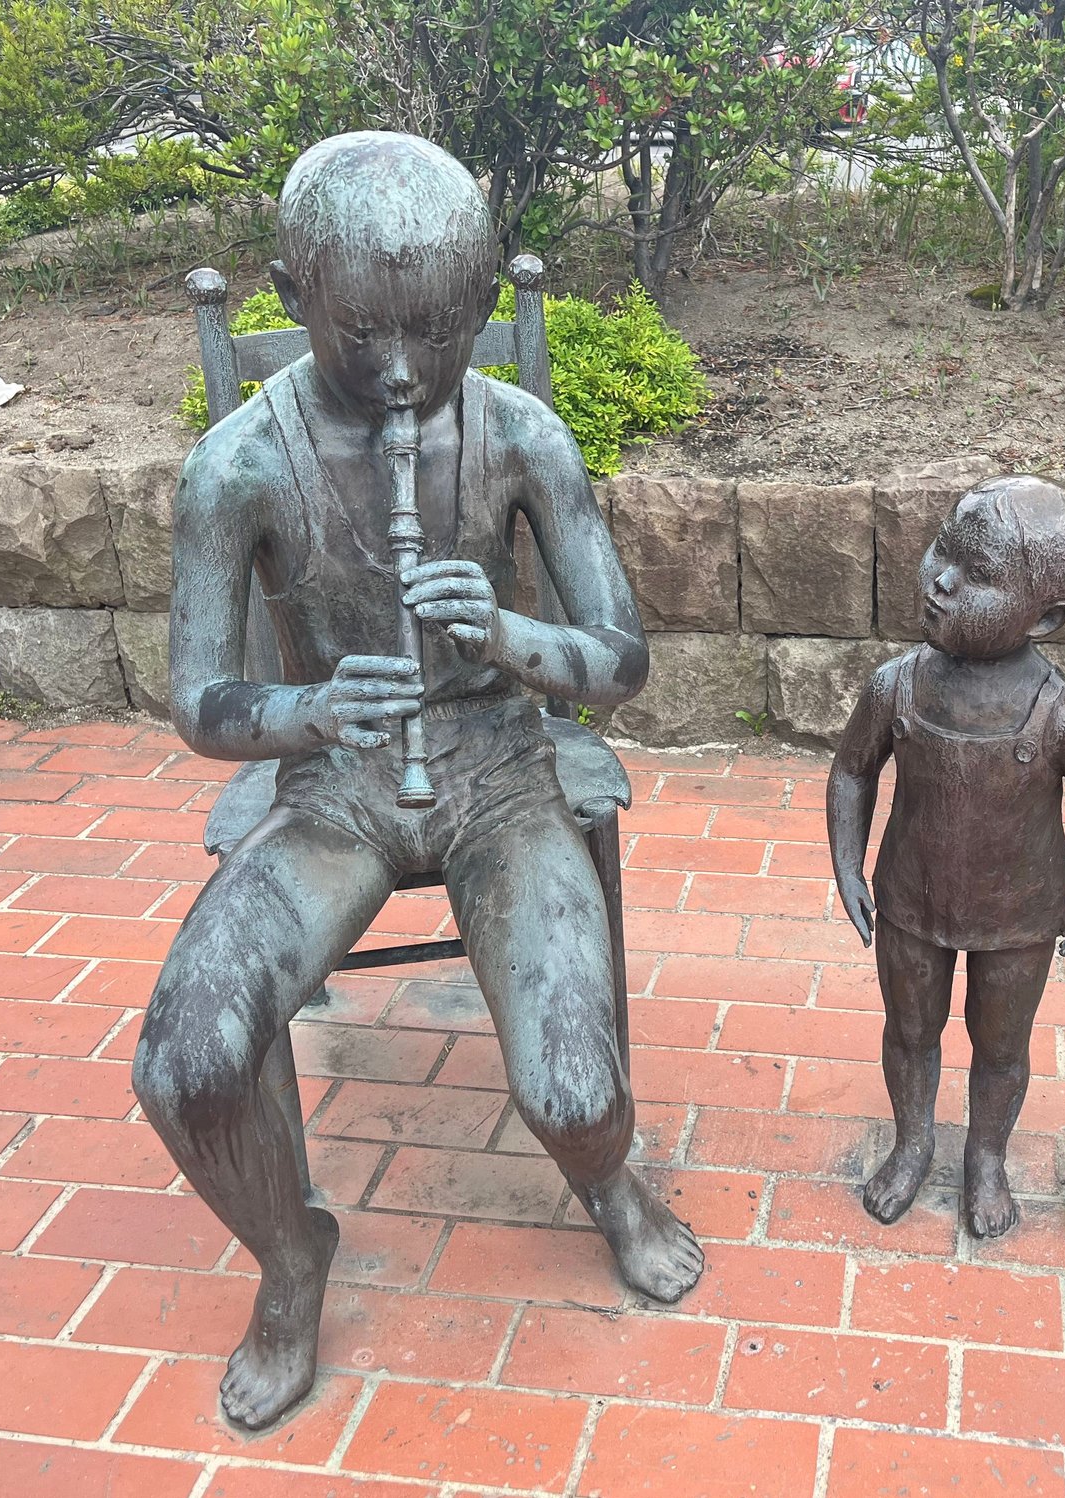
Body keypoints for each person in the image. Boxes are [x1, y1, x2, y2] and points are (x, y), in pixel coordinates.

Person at [133, 131, 702, 1432]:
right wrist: (307, 709)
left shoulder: (521, 436)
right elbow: (199, 704)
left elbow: (621, 661)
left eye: (439, 333)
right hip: (333, 793)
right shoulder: (237, 465)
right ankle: (291, 1257)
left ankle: (607, 1180)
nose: (402, 369)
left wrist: (503, 636)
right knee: (186, 1063)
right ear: (294, 296)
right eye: (363, 333)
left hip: (500, 774)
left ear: (483, 302)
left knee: (572, 1091)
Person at [826, 476, 1065, 1238]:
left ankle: (986, 1157)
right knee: (910, 1030)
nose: (940, 581)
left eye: (977, 575)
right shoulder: (895, 686)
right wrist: (847, 862)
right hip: (911, 899)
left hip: (1020, 916)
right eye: (942, 552)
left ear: (1048, 617)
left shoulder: (1061, 715)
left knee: (1001, 1045)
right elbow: (852, 770)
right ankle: (912, 1143)